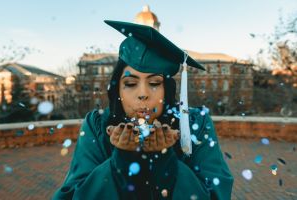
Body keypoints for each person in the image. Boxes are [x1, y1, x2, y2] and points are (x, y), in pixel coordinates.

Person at [53, 20, 233, 200]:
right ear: (118, 90)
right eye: (130, 84)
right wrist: (120, 162)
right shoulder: (98, 125)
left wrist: (166, 164)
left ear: (168, 90)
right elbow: (72, 194)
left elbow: (217, 194)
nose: (143, 94)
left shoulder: (194, 123)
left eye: (154, 83)